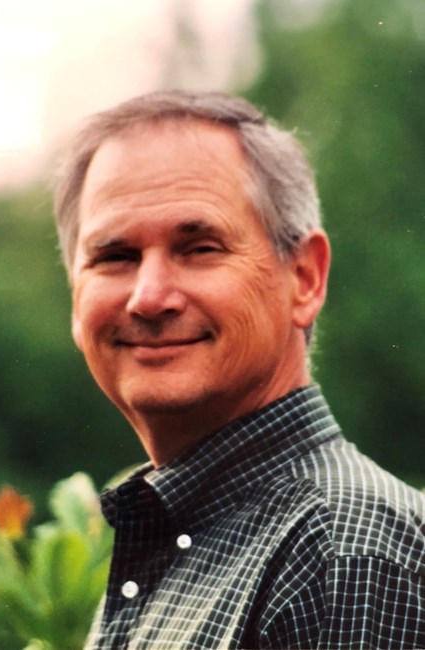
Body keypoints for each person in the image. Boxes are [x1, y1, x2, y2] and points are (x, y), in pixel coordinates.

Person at [53, 90, 425, 649]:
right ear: (75, 296)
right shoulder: (178, 544)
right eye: (115, 257)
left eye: (200, 248)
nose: (148, 297)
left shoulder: (341, 555)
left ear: (304, 278)